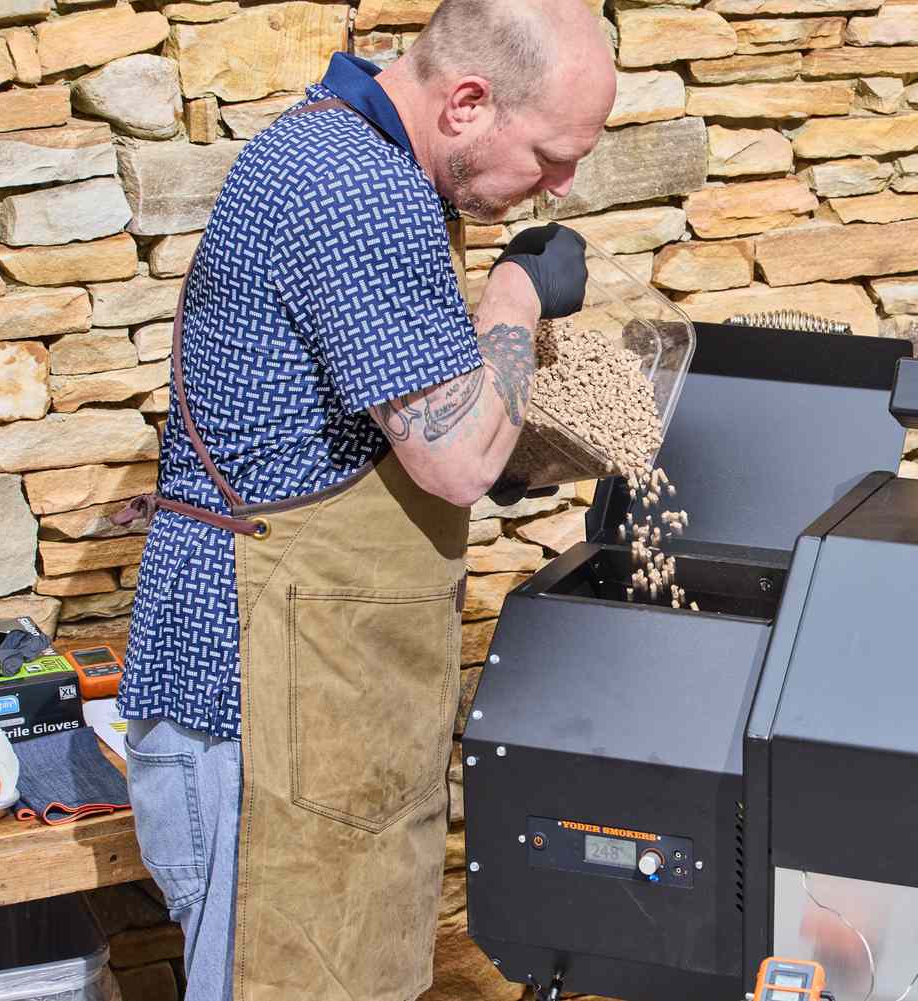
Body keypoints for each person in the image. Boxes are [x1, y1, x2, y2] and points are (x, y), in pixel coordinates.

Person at [113, 2, 616, 998]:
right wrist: (515, 293)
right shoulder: (355, 192)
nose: (562, 186)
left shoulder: (374, 165)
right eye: (554, 156)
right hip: (258, 711)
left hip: (320, 696)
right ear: (469, 102)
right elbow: (459, 460)